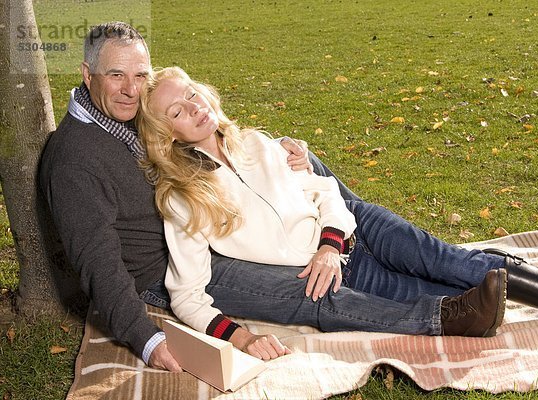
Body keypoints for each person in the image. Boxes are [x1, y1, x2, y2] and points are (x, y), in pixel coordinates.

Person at [136, 66, 538, 360]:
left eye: (192, 95)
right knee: (460, 294)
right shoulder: (183, 197)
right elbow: (187, 292)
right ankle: (485, 301)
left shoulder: (257, 142)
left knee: (448, 260)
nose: (194, 110)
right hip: (347, 276)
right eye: (177, 111)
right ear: (167, 134)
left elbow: (326, 193)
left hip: (356, 235)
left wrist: (328, 245)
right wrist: (239, 338)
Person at [38, 21, 348, 370]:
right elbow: (98, 263)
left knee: (312, 175)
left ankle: (357, 228)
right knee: (310, 290)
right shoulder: (74, 160)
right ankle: (394, 285)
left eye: (140, 75)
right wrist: (147, 339)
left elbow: (195, 129)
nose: (130, 89)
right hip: (170, 267)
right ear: (87, 74)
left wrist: (278, 151)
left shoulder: (125, 111)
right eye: (115, 75)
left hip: (202, 218)